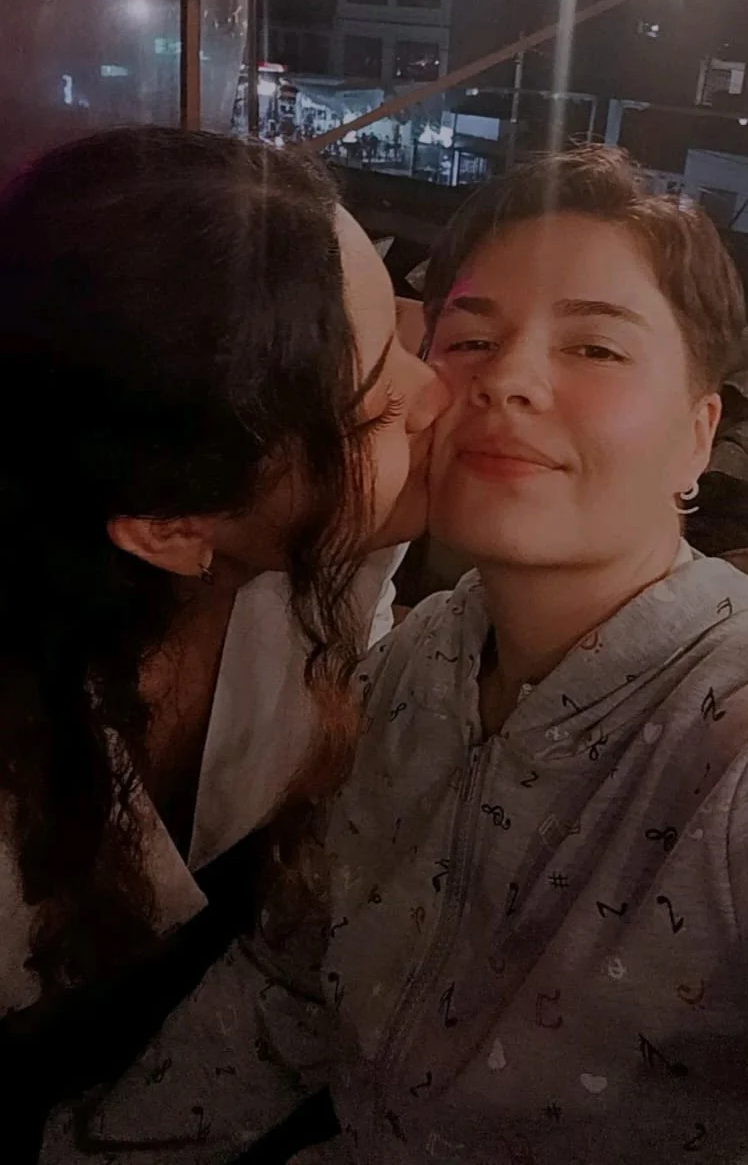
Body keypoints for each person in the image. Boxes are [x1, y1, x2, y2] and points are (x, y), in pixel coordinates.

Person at [316, 146, 748, 1165]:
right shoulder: (410, 663)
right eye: (471, 339)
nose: (507, 380)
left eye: (595, 348)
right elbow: (285, 975)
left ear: (698, 435)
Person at [0, 126, 445, 1160]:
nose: (438, 393)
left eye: (404, 333)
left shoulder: (328, 566)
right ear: (171, 526)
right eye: (380, 403)